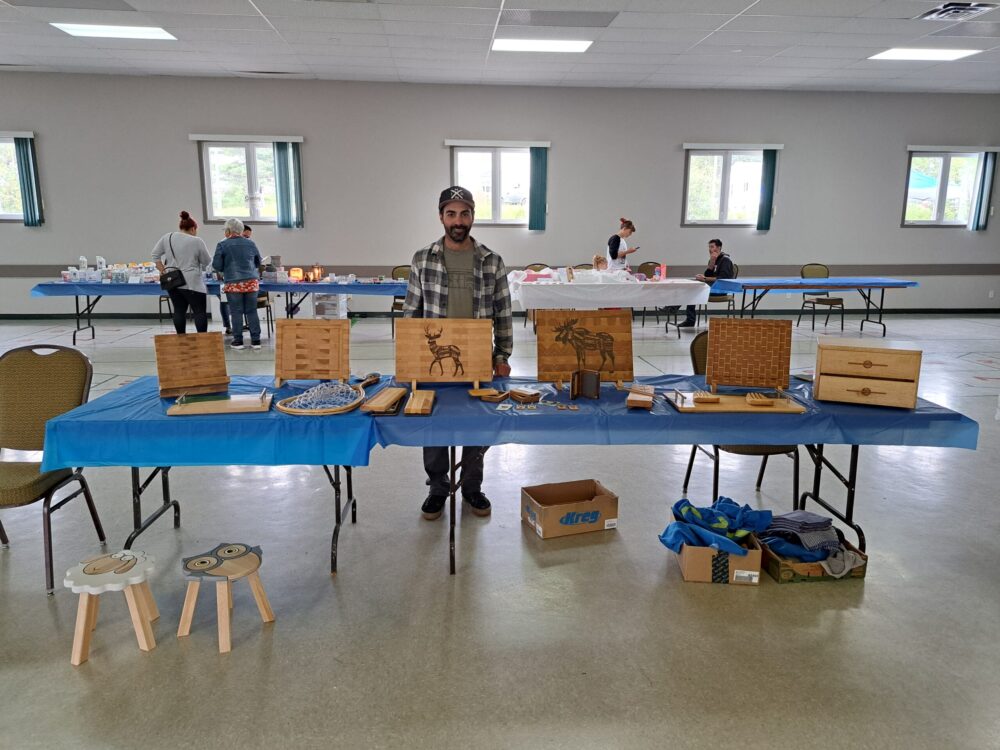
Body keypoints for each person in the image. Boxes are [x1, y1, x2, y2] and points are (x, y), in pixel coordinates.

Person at [403, 186, 513, 521]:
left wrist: (502, 355)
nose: (458, 221)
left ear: (472, 216)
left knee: (476, 424)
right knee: (433, 423)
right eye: (451, 214)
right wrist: (410, 357)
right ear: (441, 216)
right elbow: (411, 312)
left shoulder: (492, 261)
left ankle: (471, 487)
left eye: (464, 214)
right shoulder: (423, 259)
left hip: (478, 359)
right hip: (432, 366)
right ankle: (437, 488)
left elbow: (503, 312)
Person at [152, 211, 212, 334]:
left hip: (173, 279)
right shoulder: (196, 241)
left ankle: (181, 339)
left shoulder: (167, 237)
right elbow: (207, 262)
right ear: (193, 228)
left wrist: (163, 270)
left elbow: (155, 255)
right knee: (199, 311)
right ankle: (202, 340)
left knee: (179, 310)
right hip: (192, 282)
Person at [212, 218, 262, 350]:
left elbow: (216, 265)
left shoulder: (222, 244)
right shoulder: (250, 243)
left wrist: (226, 267)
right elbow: (258, 262)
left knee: (236, 312)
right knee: (252, 311)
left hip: (233, 283)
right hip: (251, 282)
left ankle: (238, 341)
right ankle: (256, 341)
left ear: (228, 231)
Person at [675, 238, 735, 328]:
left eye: (712, 247)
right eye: (709, 247)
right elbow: (707, 275)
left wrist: (705, 278)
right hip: (712, 287)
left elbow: (723, 278)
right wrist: (711, 264)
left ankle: (685, 317)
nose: (710, 249)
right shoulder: (714, 260)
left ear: (719, 248)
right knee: (691, 286)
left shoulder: (725, 260)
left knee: (693, 290)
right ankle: (678, 311)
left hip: (721, 289)